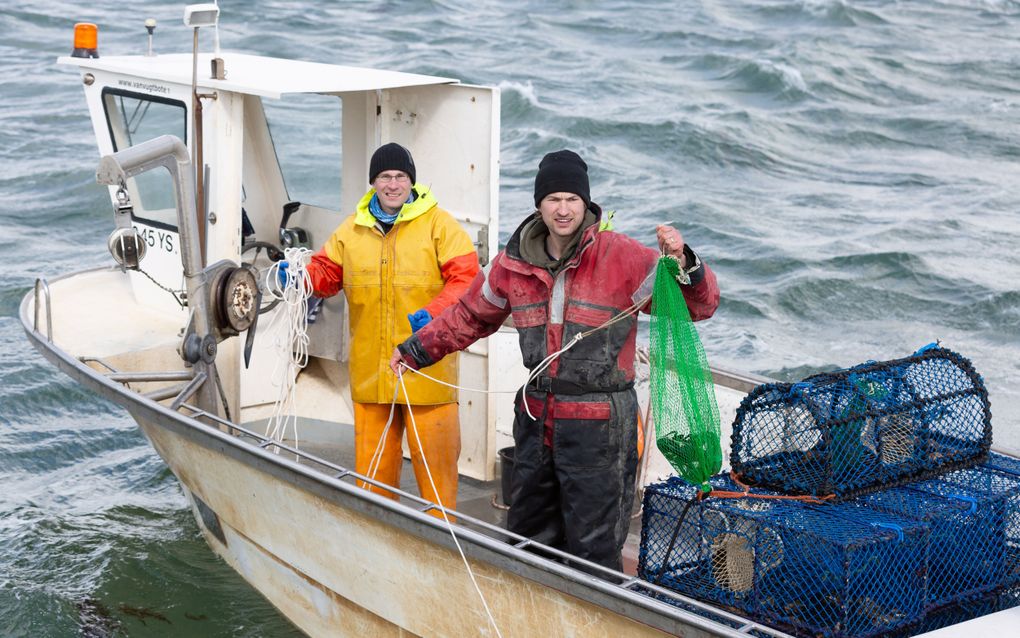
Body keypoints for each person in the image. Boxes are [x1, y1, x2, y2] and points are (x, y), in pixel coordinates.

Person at [389, 149, 720, 570]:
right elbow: (469, 316)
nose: (563, 209)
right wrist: (415, 350)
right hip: (535, 417)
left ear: (586, 204)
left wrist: (686, 263)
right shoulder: (511, 264)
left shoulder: (625, 257)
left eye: (571, 199)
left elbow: (698, 307)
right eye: (553, 199)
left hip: (601, 425)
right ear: (538, 204)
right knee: (527, 539)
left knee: (593, 551)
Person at [295, 142, 479, 517]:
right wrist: (298, 277)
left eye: (400, 177)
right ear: (373, 183)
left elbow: (468, 280)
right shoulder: (352, 229)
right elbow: (327, 275)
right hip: (372, 376)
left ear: (411, 181)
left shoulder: (440, 224)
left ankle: (443, 541)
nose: (393, 184)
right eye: (385, 177)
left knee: (437, 476)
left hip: (429, 373)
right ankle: (378, 536)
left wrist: (433, 315)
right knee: (373, 484)